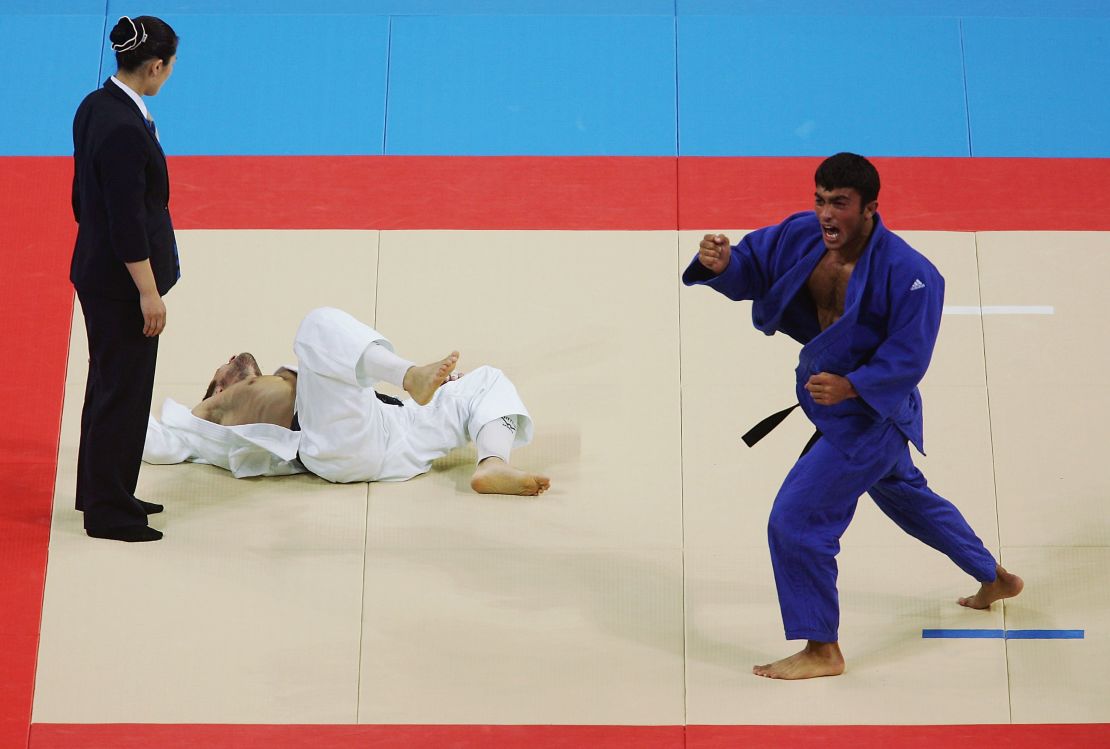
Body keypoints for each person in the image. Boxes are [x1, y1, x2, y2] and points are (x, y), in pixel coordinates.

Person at [682, 153, 1022, 680]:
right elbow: (757, 265)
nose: (825, 213)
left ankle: (823, 649)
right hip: (832, 403)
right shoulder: (801, 236)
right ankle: (994, 577)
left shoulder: (913, 275)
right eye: (819, 200)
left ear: (869, 208)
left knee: (795, 523)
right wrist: (723, 266)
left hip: (872, 416)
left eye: (838, 202)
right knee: (908, 497)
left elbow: (910, 357)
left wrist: (853, 386)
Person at [143, 307, 550, 496]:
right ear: (215, 389)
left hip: (398, 432)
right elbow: (146, 440)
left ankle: (493, 463)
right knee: (316, 323)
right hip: (331, 441)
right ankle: (411, 375)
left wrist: (446, 393)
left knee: (487, 381)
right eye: (223, 367)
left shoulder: (283, 379)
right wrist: (111, 381)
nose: (231, 359)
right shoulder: (196, 426)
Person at [71, 15, 180, 542]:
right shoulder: (122, 129)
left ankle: (101, 490)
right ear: (156, 65)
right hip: (121, 286)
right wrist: (149, 293)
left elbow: (84, 197)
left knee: (108, 386)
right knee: (123, 393)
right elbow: (126, 221)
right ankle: (109, 512)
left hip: (97, 267)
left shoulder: (97, 105)